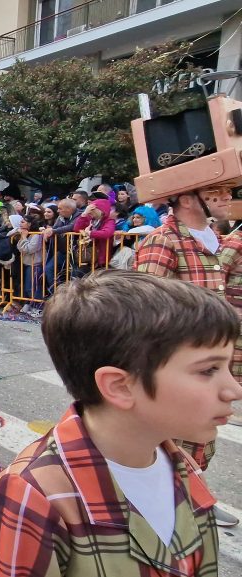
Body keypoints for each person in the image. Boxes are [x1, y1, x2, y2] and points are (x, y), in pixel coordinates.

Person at [0, 270, 240, 577]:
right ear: (119, 386)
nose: (234, 390)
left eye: (228, 367)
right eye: (207, 370)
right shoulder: (37, 495)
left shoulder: (182, 465)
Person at [135, 183, 238, 527]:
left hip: (209, 363)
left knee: (201, 438)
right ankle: (159, 506)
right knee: (168, 438)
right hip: (176, 364)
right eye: (217, 191)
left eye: (229, 191)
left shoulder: (215, 239)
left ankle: (189, 494)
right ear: (185, 197)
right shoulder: (164, 240)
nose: (228, 198)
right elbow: (145, 309)